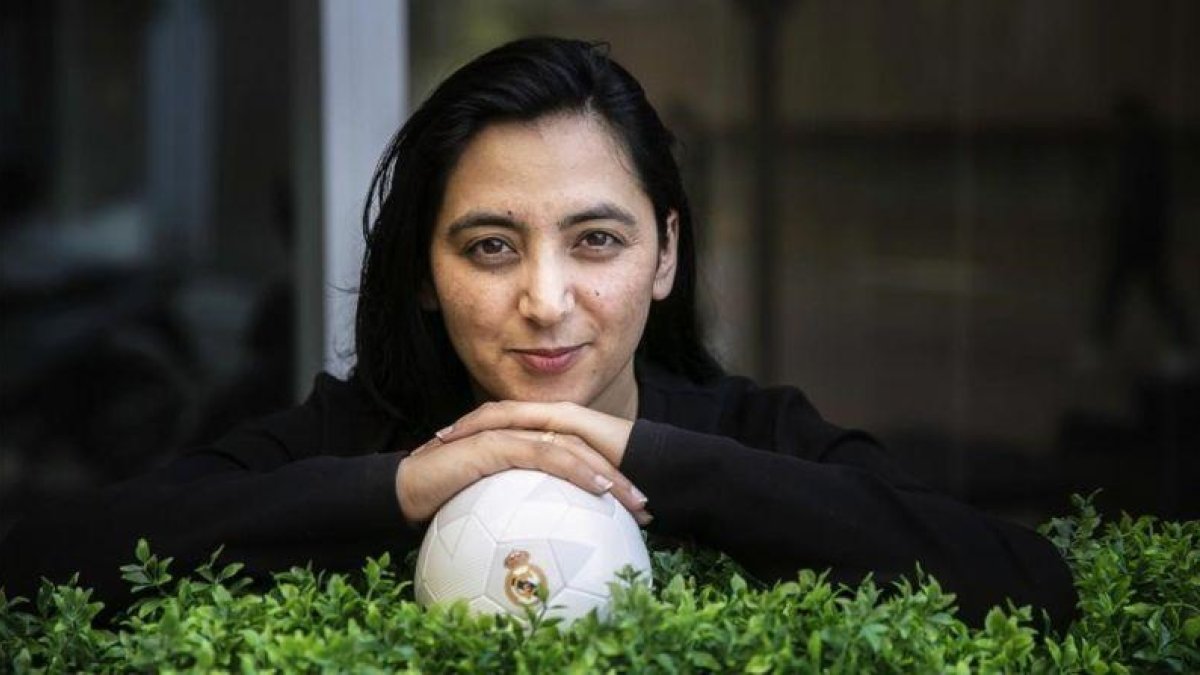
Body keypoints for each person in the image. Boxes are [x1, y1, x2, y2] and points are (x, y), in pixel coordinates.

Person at [0, 37, 1077, 633]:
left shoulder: (751, 434)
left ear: (665, 254)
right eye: (490, 247)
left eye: (596, 240)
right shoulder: (353, 434)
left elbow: (1031, 583)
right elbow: (38, 566)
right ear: (424, 275)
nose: (547, 299)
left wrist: (659, 461)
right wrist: (397, 489)